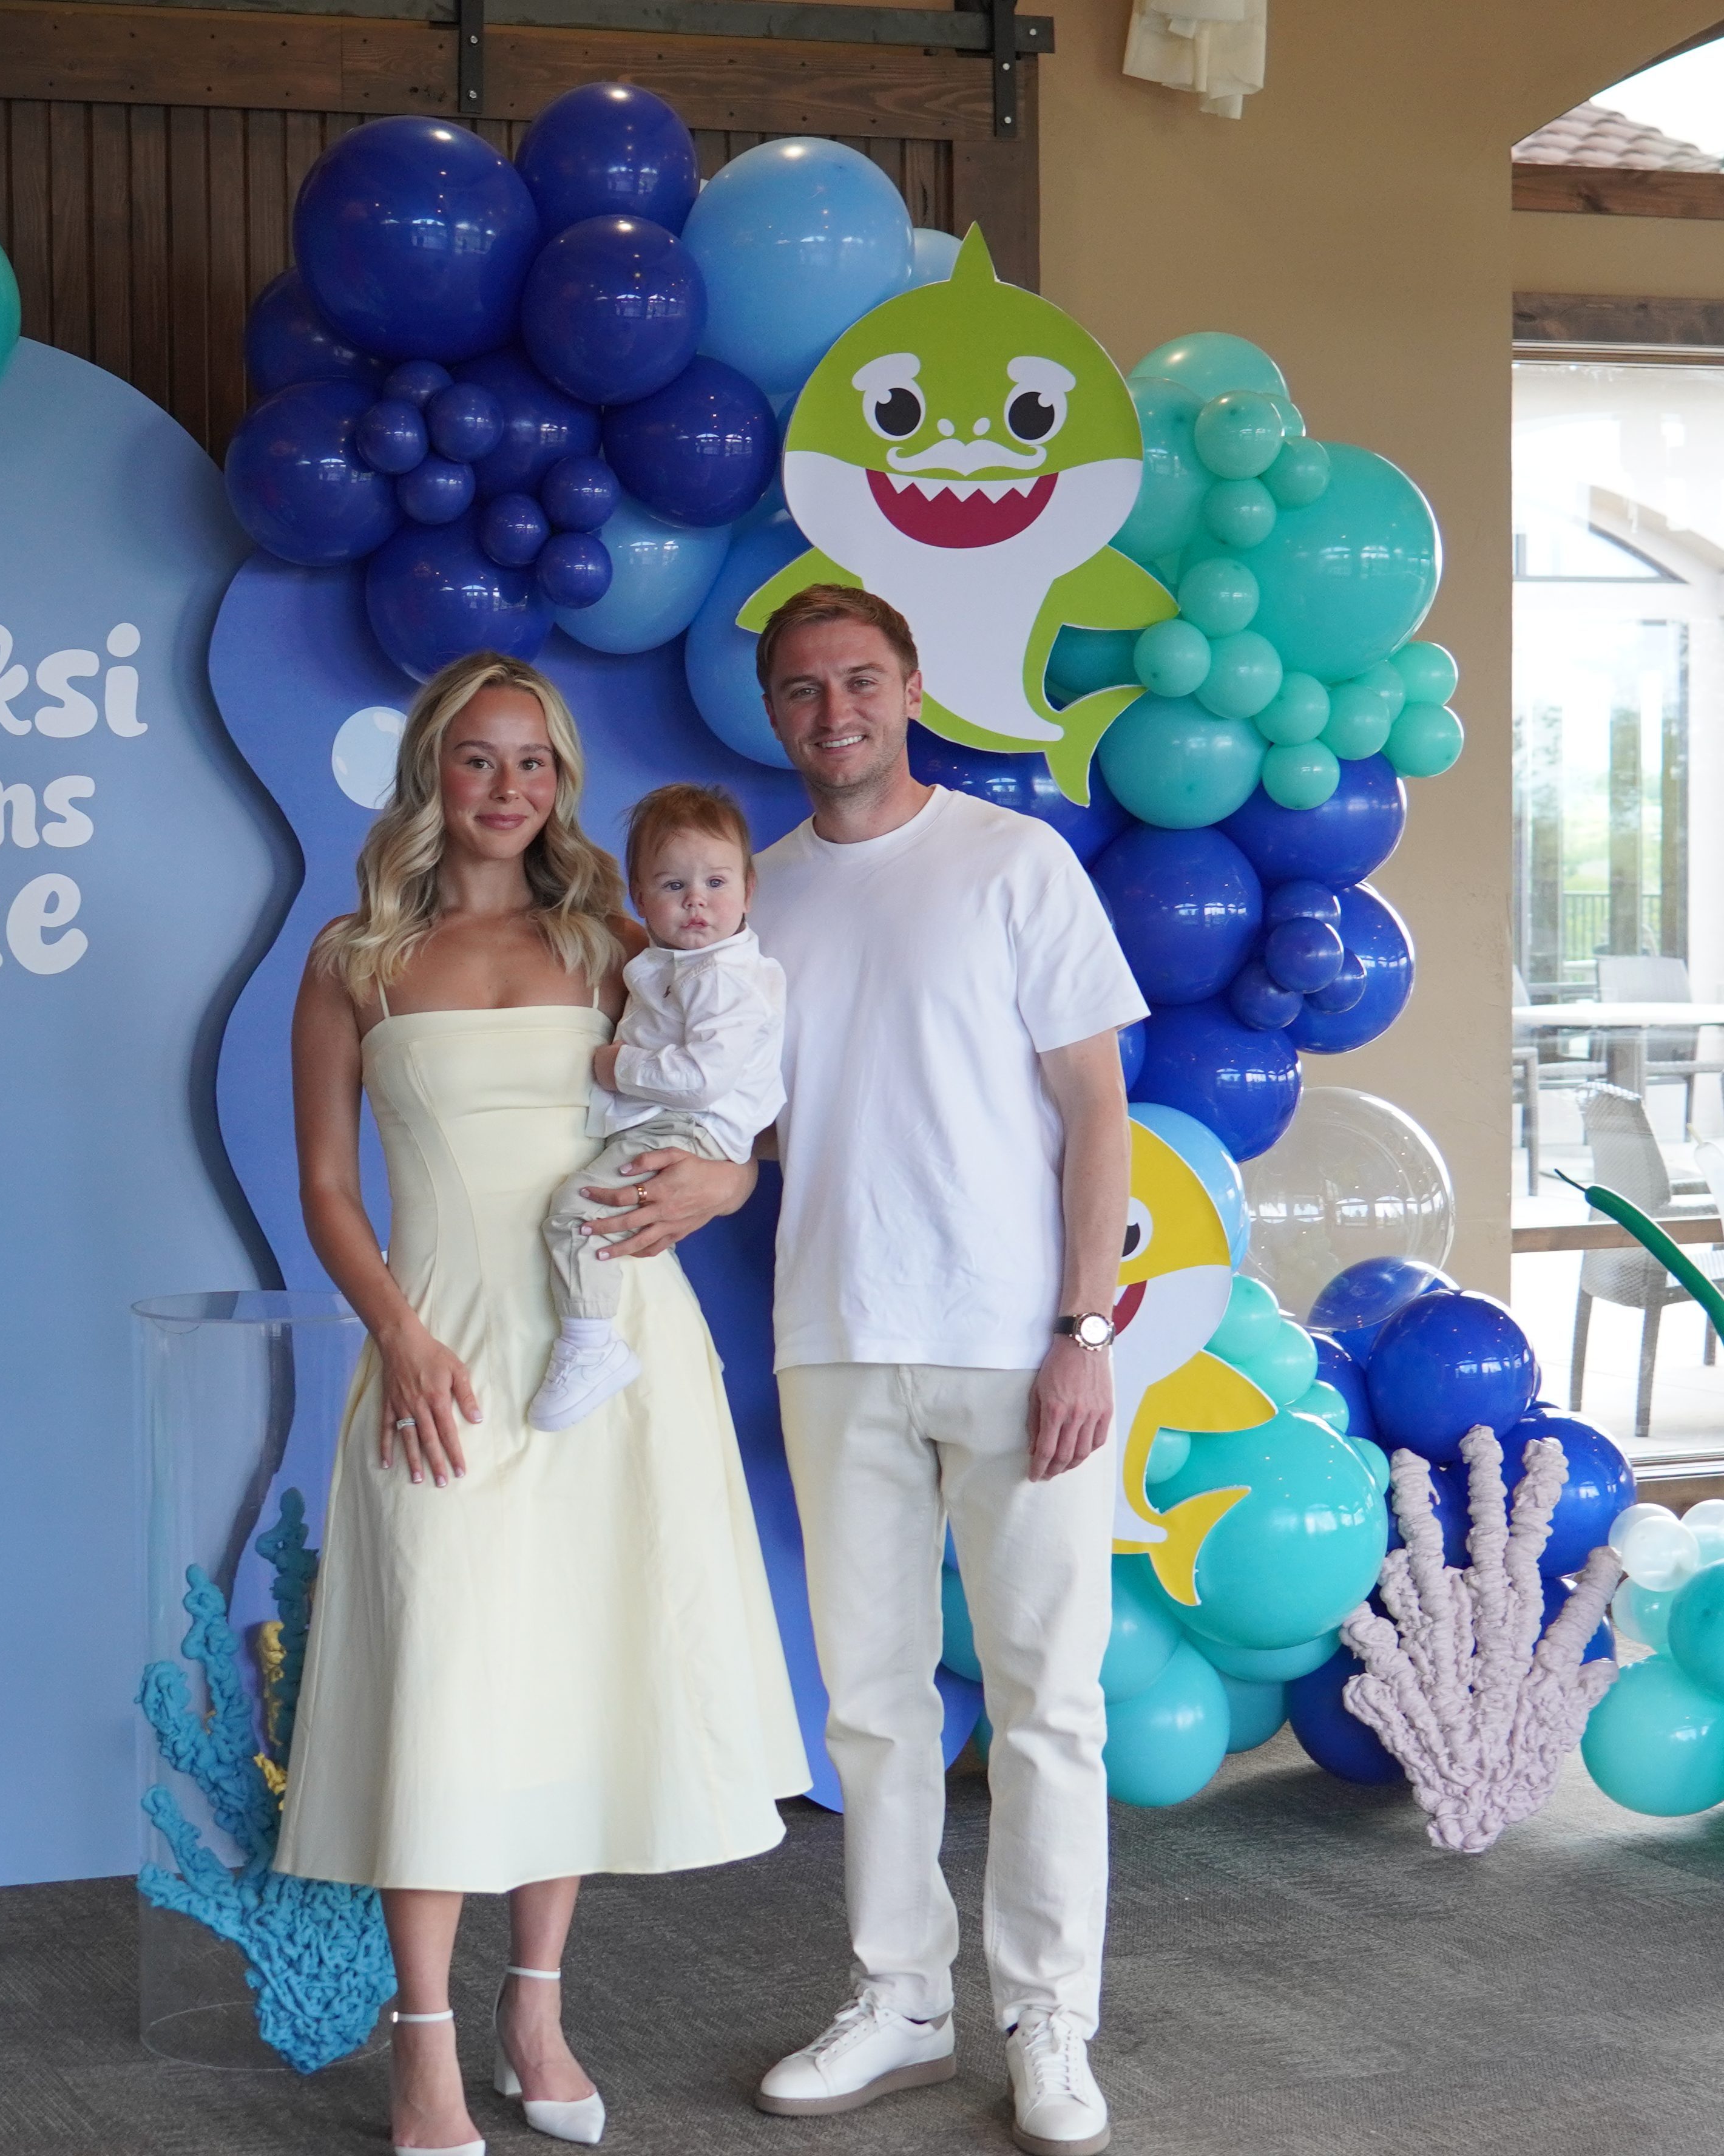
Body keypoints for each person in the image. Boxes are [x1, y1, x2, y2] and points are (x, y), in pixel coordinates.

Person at [576, 585, 1140, 2156]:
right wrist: (713, 1171)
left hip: (1017, 1344)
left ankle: (1049, 2020)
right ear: (773, 713)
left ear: (910, 688)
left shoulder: (1012, 862)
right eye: (805, 689)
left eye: (862, 680)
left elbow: (1096, 1108)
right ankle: (901, 2000)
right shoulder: (752, 901)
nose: (836, 711)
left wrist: (1084, 1330)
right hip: (834, 1335)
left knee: (1046, 1703)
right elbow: (751, 1118)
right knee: (877, 1710)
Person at [274, 653, 809, 2156]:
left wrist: (729, 1184)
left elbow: (738, 1095)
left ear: (563, 783)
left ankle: (535, 2012)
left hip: (613, 1348)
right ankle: (424, 2047)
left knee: (572, 1667)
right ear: (430, 776)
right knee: (442, 1683)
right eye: (478, 758)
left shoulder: (617, 942)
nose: (507, 788)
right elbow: (325, 1187)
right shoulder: (352, 957)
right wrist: (398, 1336)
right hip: (441, 1353)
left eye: (535, 763)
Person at [528, 783, 784, 1432]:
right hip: (678, 1121)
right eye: (673, 886)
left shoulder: (721, 976)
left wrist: (617, 1066)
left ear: (748, 891)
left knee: (577, 1214)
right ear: (639, 899)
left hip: (690, 1126)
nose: (696, 900)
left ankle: (591, 1347)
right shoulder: (678, 964)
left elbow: (701, 1079)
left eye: (716, 883)